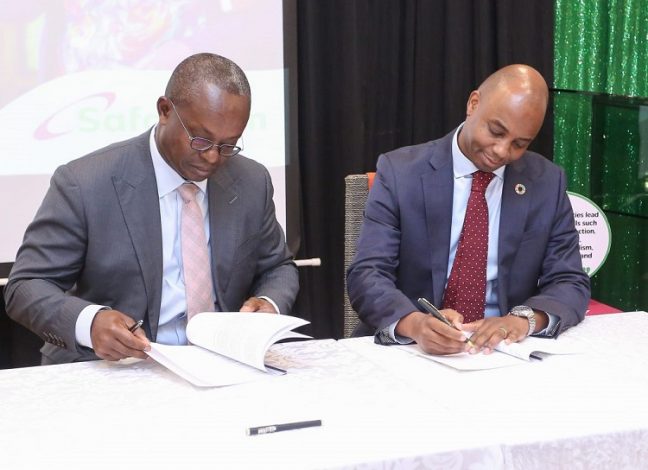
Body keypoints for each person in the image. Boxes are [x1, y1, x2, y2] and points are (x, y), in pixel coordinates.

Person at [5, 53, 298, 364]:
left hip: (221, 363)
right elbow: (26, 286)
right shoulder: (85, 183)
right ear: (165, 110)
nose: (213, 157)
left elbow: (277, 267)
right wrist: (90, 323)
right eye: (200, 140)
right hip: (113, 368)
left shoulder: (251, 181)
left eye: (228, 145)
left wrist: (268, 303)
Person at [347, 64, 590, 355]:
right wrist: (415, 324)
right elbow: (368, 273)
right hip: (412, 348)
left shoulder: (546, 182)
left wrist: (522, 321)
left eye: (519, 144)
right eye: (496, 131)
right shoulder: (400, 172)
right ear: (473, 104)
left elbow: (569, 280)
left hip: (501, 352)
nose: (501, 150)